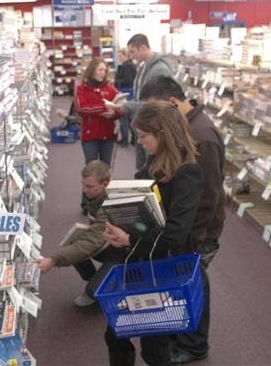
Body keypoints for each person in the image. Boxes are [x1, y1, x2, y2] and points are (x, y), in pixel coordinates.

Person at [103, 101, 204, 366]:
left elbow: (175, 235)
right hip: (142, 261)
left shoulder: (188, 173)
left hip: (165, 269)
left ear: (164, 134)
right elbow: (143, 214)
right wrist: (120, 226)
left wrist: (129, 239)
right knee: (116, 333)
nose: (140, 142)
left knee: (153, 347)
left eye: (144, 136)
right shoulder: (152, 165)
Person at [140, 76, 226, 364]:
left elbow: (209, 194)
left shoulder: (203, 135)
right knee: (185, 283)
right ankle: (184, 338)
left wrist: (195, 237)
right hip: (184, 228)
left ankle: (194, 345)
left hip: (197, 232)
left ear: (173, 103)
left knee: (195, 285)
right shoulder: (186, 129)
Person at [37, 160, 124, 307]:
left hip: (123, 254)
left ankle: (116, 283)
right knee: (75, 244)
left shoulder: (111, 204)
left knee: (93, 291)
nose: (84, 190)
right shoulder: (98, 199)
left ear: (105, 183)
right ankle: (99, 280)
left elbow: (92, 242)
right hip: (110, 245)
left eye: (89, 186)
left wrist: (53, 260)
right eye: (83, 185)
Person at [123, 34, 174, 169]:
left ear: (143, 47)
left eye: (133, 52)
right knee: (143, 167)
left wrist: (127, 106)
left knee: (152, 167)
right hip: (144, 125)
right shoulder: (144, 67)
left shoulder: (160, 69)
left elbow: (160, 104)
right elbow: (141, 96)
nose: (131, 56)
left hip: (154, 128)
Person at [114, 48, 137, 146]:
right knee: (130, 118)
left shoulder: (127, 66)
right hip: (130, 94)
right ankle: (133, 139)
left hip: (126, 93)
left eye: (121, 56)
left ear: (126, 56)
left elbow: (128, 81)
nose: (119, 58)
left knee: (124, 117)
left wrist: (116, 82)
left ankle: (124, 140)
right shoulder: (129, 65)